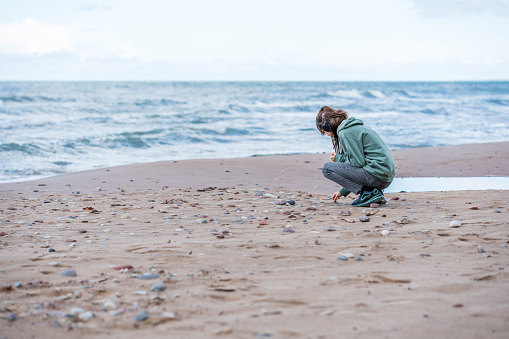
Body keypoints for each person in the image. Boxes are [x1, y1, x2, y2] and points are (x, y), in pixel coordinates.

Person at [316, 106, 395, 207]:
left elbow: (357, 163)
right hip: (384, 177)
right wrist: (342, 192)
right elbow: (354, 169)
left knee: (327, 169)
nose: (327, 135)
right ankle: (374, 193)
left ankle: (368, 193)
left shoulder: (345, 132)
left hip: (377, 176)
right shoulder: (354, 128)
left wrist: (337, 158)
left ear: (327, 125)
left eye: (324, 131)